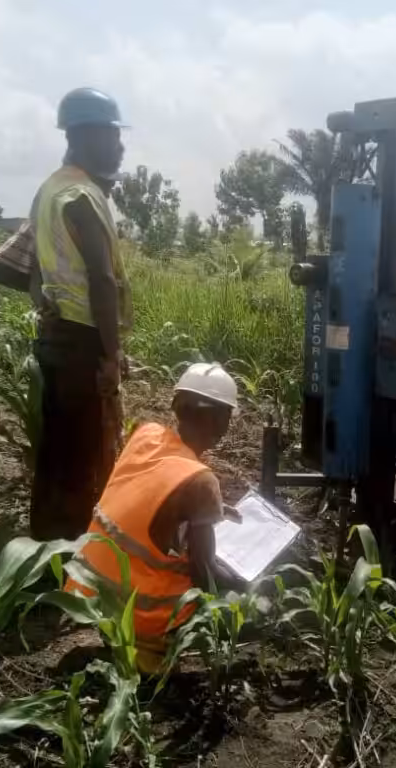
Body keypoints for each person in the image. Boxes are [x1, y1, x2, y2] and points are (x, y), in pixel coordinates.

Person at [65, 363, 243, 673]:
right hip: (136, 611)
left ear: (177, 405)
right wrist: (246, 587)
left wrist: (212, 509)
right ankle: (149, 652)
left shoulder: (147, 434)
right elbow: (204, 574)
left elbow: (149, 495)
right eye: (227, 417)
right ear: (219, 421)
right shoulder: (200, 481)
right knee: (240, 604)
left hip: (88, 592)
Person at [27, 87, 134, 542]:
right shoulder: (84, 197)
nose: (120, 146)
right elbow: (103, 282)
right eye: (113, 135)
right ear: (87, 136)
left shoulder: (48, 191)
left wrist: (45, 304)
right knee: (81, 454)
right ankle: (67, 553)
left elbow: (32, 268)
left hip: (54, 339)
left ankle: (41, 540)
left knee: (56, 450)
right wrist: (111, 356)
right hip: (84, 343)